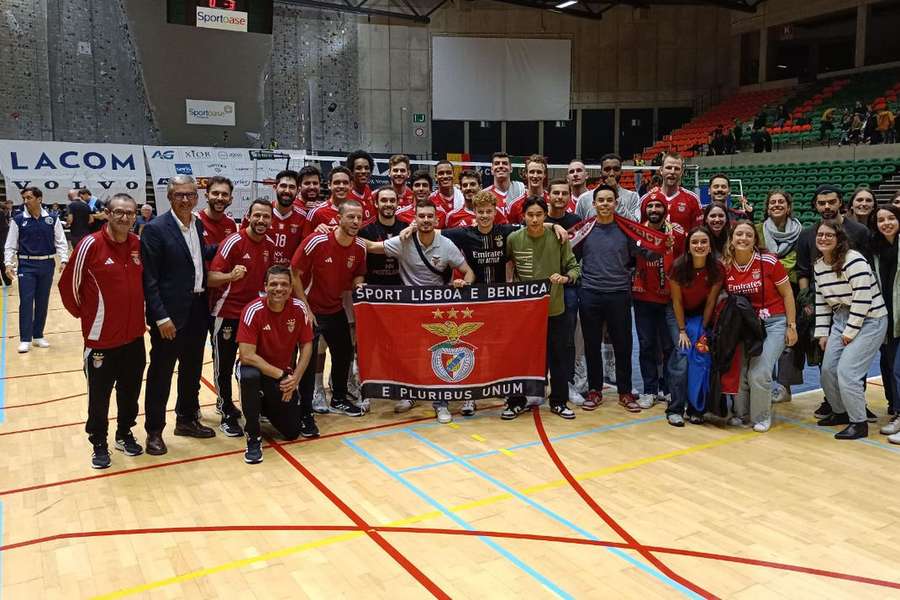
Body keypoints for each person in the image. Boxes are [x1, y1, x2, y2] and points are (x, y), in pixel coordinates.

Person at [364, 199, 475, 422]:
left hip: (438, 309)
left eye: (429, 217)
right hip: (410, 309)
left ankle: (440, 403)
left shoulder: (446, 245)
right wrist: (341, 231)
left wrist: (464, 283)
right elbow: (371, 247)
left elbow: (468, 272)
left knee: (437, 354)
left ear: (436, 220)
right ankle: (411, 393)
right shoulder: (403, 241)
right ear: (414, 219)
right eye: (421, 216)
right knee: (410, 354)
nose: (425, 220)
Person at [58, 193, 146, 469]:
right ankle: (99, 442)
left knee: (130, 393)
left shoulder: (137, 244)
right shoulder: (90, 244)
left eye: (129, 213)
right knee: (99, 396)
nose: (124, 217)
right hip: (100, 341)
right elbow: (68, 286)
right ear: (107, 213)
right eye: (118, 212)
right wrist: (88, 318)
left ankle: (124, 433)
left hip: (134, 337)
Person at [141, 175, 217, 455]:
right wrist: (160, 317)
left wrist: (236, 240)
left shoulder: (196, 224)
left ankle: (186, 420)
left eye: (190, 194)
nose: (185, 199)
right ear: (169, 197)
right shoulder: (155, 229)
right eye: (179, 195)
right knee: (161, 374)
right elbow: (149, 279)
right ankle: (154, 432)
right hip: (169, 316)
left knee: (191, 370)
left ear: (196, 197)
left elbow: (196, 257)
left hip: (197, 309)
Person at [796, 184, 871, 420]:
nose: (827, 206)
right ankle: (832, 401)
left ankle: (857, 402)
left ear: (841, 203)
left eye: (831, 202)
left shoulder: (858, 231)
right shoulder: (807, 234)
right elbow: (803, 271)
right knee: (825, 355)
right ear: (816, 206)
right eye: (821, 203)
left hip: (858, 306)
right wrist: (807, 301)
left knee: (854, 359)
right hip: (824, 304)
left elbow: (867, 271)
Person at [292, 200, 368, 430]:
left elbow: (358, 274)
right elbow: (294, 274)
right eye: (351, 217)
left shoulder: (360, 247)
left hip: (335, 308)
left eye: (359, 218)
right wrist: (304, 308)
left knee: (344, 352)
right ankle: (305, 410)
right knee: (309, 357)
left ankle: (339, 398)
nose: (355, 222)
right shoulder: (317, 241)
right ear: (339, 217)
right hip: (310, 308)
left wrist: (359, 285)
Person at [504, 197, 580, 420]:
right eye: (530, 215)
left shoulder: (558, 238)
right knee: (520, 359)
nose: (535, 219)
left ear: (545, 216)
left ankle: (558, 401)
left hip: (553, 309)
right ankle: (516, 401)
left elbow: (574, 267)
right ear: (523, 217)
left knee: (558, 357)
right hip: (524, 314)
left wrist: (566, 278)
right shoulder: (513, 239)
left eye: (539, 215)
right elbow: (507, 266)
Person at [573, 185, 645, 412]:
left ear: (616, 203)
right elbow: (570, 255)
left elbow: (642, 254)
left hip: (619, 294)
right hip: (590, 293)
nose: (605, 204)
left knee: (623, 344)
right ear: (593, 205)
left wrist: (665, 244)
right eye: (600, 200)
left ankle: (625, 391)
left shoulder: (626, 230)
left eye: (609, 200)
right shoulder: (585, 230)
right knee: (592, 344)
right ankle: (595, 390)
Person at [208, 199, 276, 437]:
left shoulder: (269, 244)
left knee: (256, 363)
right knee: (224, 365)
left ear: (271, 220)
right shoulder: (233, 242)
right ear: (248, 216)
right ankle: (225, 409)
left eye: (266, 217)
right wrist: (230, 276)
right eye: (257, 215)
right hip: (227, 313)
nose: (261, 220)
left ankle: (260, 405)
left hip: (255, 316)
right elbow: (210, 277)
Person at [813, 220, 887, 439]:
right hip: (840, 318)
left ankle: (859, 422)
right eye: (820, 235)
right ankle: (840, 412)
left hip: (870, 318)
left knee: (848, 372)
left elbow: (863, 299)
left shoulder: (853, 260)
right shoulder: (818, 265)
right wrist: (823, 333)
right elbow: (821, 301)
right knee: (827, 370)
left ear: (839, 239)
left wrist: (849, 332)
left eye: (829, 235)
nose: (823, 238)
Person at [724, 221, 797, 432]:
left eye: (749, 234)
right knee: (739, 370)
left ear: (755, 240)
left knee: (760, 371)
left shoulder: (769, 262)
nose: (743, 238)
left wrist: (791, 326)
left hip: (774, 322)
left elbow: (788, 293)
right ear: (732, 238)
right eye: (739, 234)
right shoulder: (726, 265)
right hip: (744, 326)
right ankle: (741, 413)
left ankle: (761, 416)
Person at [237, 265, 314, 464]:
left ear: (290, 288)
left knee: (291, 432)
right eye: (273, 284)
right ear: (265, 287)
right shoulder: (252, 310)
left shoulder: (299, 309)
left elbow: (307, 346)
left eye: (284, 284)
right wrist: (282, 376)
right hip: (257, 370)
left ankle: (263, 405)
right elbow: (247, 355)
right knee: (249, 377)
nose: (278, 288)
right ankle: (253, 436)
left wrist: (295, 378)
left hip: (283, 374)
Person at [631, 191, 685, 410]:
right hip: (643, 298)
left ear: (665, 210)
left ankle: (670, 389)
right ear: (645, 210)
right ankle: (650, 390)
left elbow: (685, 262)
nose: (654, 210)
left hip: (669, 300)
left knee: (669, 347)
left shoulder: (678, 235)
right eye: (650, 206)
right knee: (646, 345)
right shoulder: (636, 233)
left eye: (658, 206)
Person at [667, 227, 724, 425]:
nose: (699, 246)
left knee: (701, 353)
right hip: (677, 315)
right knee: (683, 354)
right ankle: (674, 408)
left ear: (710, 247)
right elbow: (677, 302)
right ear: (688, 247)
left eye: (703, 242)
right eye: (695, 242)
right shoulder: (678, 267)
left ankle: (695, 408)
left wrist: (703, 330)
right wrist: (682, 331)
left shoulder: (717, 269)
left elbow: (710, 302)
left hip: (700, 315)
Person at [4, 187, 68, 353]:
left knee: (42, 301)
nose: (26, 201)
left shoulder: (52, 219)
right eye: (24, 198)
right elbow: (10, 244)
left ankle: (38, 335)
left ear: (39, 199)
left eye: (29, 197)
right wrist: (8, 264)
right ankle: (25, 339)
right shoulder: (18, 220)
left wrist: (64, 259)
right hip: (26, 265)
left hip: (47, 264)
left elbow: (61, 241)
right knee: (26, 302)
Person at [756, 189, 803, 403]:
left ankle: (785, 387)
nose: (776, 205)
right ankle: (759, 385)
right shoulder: (757, 231)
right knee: (764, 340)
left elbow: (802, 263)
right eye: (772, 202)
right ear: (767, 207)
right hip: (763, 291)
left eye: (781, 202)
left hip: (790, 291)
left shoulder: (801, 232)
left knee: (789, 339)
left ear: (788, 206)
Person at [869, 205, 900, 439]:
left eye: (891, 218)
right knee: (890, 368)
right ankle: (897, 413)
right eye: (881, 220)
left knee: (899, 369)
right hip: (887, 318)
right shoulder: (875, 249)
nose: (886, 223)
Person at [642, 152, 701, 232]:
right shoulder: (646, 199)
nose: (672, 172)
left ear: (682, 172)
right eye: (669, 168)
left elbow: (698, 233)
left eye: (677, 169)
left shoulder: (692, 200)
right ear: (661, 170)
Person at [359, 187, 405, 286]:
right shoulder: (364, 229)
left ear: (397, 204)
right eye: (384, 200)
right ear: (376, 203)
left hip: (401, 289)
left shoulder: (406, 228)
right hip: (373, 289)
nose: (388, 204)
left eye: (392, 201)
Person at [575, 153, 641, 222]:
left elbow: (635, 226)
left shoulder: (633, 197)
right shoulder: (584, 198)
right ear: (601, 173)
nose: (612, 174)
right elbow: (578, 228)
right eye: (607, 169)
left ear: (621, 172)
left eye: (616, 169)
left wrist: (616, 196)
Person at [266, 170, 308, 266]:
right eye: (283, 186)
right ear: (275, 187)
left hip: (288, 274)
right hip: (262, 271)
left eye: (292, 187)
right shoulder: (262, 213)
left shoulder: (304, 217)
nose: (287, 191)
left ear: (298, 191)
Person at [304, 166, 352, 237]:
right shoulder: (316, 212)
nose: (341, 186)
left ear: (351, 185)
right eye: (337, 183)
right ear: (329, 185)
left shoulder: (355, 210)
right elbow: (305, 243)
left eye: (345, 183)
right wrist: (316, 234)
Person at [506, 154, 550, 224]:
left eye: (539, 172)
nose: (535, 176)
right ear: (526, 174)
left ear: (544, 175)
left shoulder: (552, 202)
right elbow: (511, 232)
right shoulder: (515, 205)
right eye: (532, 172)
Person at [197, 176, 238, 250]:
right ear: (207, 196)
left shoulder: (231, 223)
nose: (220, 198)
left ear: (230, 200)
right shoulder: (195, 220)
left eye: (224, 194)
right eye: (215, 193)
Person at [346, 149, 376, 220]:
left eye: (367, 168)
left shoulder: (370, 192)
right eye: (359, 168)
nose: (363, 171)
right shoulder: (345, 196)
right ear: (351, 172)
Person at [0, 200, 11, 286]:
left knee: (3, 262)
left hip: (2, 241)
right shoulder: (2, 214)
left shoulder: (1, 214)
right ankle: (7, 281)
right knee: (3, 262)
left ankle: (6, 281)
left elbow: (5, 229)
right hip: (2, 241)